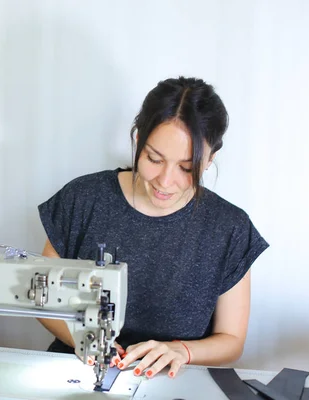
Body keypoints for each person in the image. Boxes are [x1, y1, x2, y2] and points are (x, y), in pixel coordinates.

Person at [36, 76, 269, 380]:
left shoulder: (230, 229)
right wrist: (85, 342)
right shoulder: (83, 200)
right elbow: (41, 302)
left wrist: (182, 351)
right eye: (154, 159)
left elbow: (231, 340)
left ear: (210, 159)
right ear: (137, 140)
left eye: (187, 168)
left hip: (173, 382)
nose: (165, 181)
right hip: (76, 370)